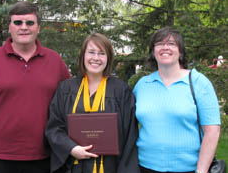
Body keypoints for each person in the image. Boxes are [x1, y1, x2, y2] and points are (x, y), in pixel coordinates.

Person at [0, 1, 70, 173]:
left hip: (45, 157)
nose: (24, 27)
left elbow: (71, 102)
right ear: (10, 27)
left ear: (38, 28)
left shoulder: (55, 61)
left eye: (30, 23)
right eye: (18, 22)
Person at [45, 33, 139, 173]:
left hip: (110, 167)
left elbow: (129, 137)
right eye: (91, 52)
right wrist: (70, 148)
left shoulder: (121, 91)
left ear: (108, 58)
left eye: (102, 53)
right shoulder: (66, 89)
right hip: (74, 167)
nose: (96, 58)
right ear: (83, 55)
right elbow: (54, 127)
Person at [133, 27, 221, 173]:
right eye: (160, 43)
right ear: (153, 52)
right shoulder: (142, 85)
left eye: (172, 44)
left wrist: (201, 171)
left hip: (189, 169)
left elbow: (212, 132)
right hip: (144, 167)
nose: (165, 47)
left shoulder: (199, 82)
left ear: (180, 52)